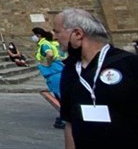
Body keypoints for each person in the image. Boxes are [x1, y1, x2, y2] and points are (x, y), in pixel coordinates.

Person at [53, 8, 138, 148]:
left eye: (57, 31)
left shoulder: (129, 64)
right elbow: (70, 122)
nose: (54, 38)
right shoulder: (70, 71)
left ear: (78, 34)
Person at [32, 26, 66, 128]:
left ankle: (65, 119)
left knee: (61, 97)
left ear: (38, 35)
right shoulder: (54, 43)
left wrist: (49, 63)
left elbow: (50, 54)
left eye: (33, 35)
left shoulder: (44, 44)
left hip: (54, 73)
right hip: (62, 70)